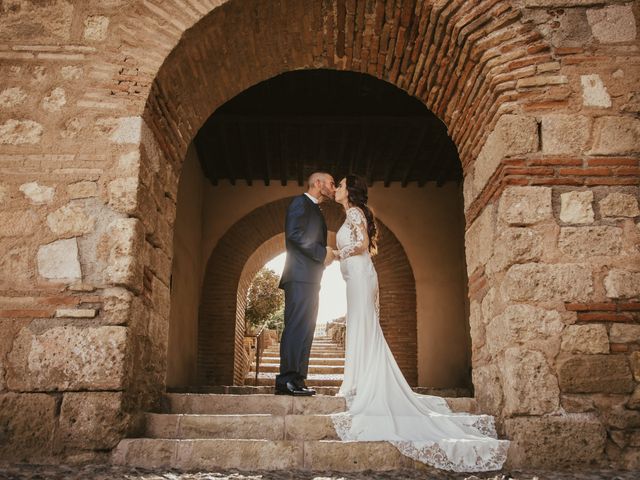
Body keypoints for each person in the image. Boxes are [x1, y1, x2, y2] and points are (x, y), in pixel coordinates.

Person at [329, 174, 509, 472]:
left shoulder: (356, 212)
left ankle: (361, 384)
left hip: (361, 276)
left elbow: (361, 244)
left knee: (364, 327)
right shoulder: (350, 213)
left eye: (341, 184)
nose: (336, 188)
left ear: (350, 190)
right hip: (355, 278)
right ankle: (358, 382)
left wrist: (337, 254)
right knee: (361, 328)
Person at [275, 172, 336, 396]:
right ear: (317, 183)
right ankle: (286, 380)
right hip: (299, 276)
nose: (333, 187)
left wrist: (326, 256)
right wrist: (322, 253)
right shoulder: (300, 203)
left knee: (307, 329)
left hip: (310, 278)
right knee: (297, 326)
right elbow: (294, 234)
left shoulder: (316, 210)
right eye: (331, 182)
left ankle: (298, 379)